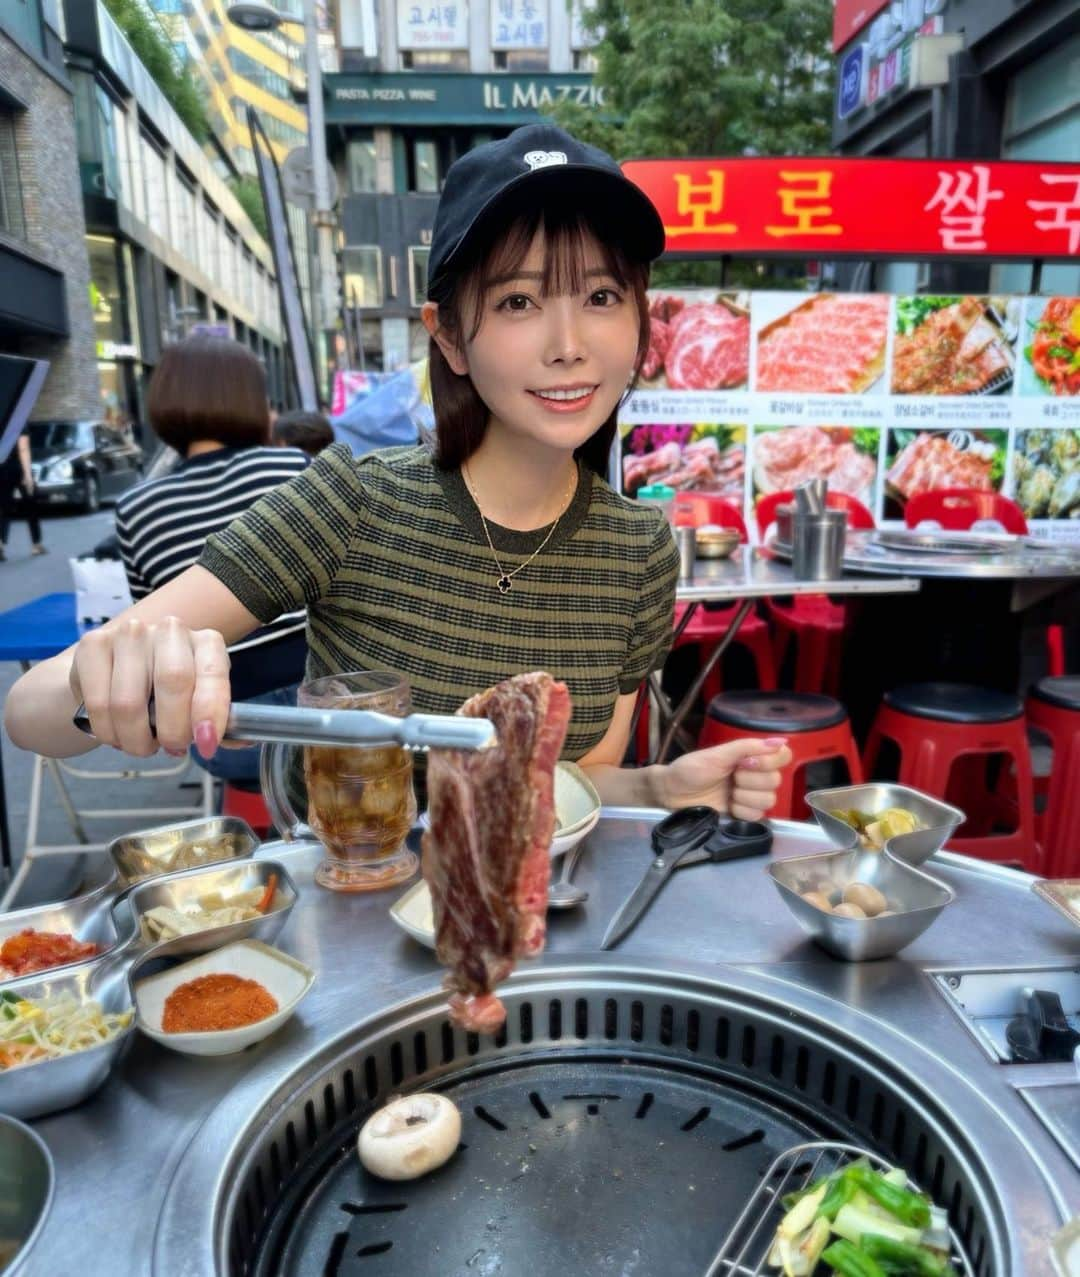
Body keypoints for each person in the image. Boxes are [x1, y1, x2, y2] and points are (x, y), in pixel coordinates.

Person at [5, 124, 791, 821]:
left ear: (640, 320)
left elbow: (570, 789)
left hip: (531, 937)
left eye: (600, 295)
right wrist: (100, 680)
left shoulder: (639, 550)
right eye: (518, 301)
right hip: (360, 941)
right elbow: (27, 708)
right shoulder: (356, 501)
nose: (568, 342)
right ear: (448, 337)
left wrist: (660, 790)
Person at [111, 335, 310, 780]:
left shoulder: (135, 508)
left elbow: (157, 631)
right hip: (321, 713)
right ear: (252, 399)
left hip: (222, 730)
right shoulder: (290, 468)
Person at [0, 429, 47, 561]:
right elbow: (23, 448)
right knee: (31, 504)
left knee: (4, 507)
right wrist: (27, 475)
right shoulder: (18, 418)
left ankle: (1, 543)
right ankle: (36, 544)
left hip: (1, 469)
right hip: (18, 468)